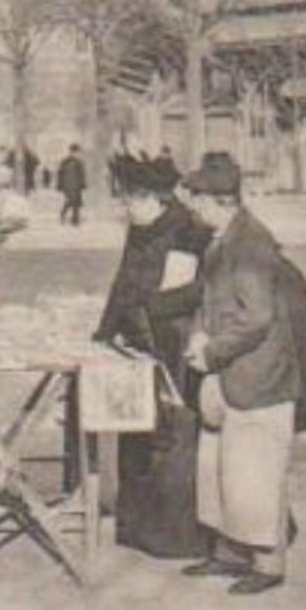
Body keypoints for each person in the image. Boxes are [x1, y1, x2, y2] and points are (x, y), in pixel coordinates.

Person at [179, 151, 306, 596]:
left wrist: (211, 352)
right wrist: (198, 337)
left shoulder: (249, 245)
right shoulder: (223, 238)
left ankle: (269, 565)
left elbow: (256, 318)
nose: (192, 205)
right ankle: (229, 555)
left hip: (260, 377)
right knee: (221, 468)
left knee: (257, 472)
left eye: (197, 197)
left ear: (221, 200)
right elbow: (209, 302)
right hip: (230, 372)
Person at [94, 154, 210, 558]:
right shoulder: (141, 229)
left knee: (170, 436)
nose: (123, 211)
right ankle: (136, 526)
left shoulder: (186, 232)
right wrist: (103, 332)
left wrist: (144, 321)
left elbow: (181, 297)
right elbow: (123, 282)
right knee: (137, 431)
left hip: (171, 347)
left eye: (128, 202)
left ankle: (172, 535)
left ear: (152, 198)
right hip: (139, 344)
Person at [56, 144, 86, 225]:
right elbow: (60, 174)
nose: (76, 154)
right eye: (76, 152)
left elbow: (81, 174)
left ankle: (75, 219)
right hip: (70, 185)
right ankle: (65, 215)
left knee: (75, 202)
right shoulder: (66, 161)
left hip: (74, 185)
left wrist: (82, 183)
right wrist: (60, 184)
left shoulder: (74, 162)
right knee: (72, 201)